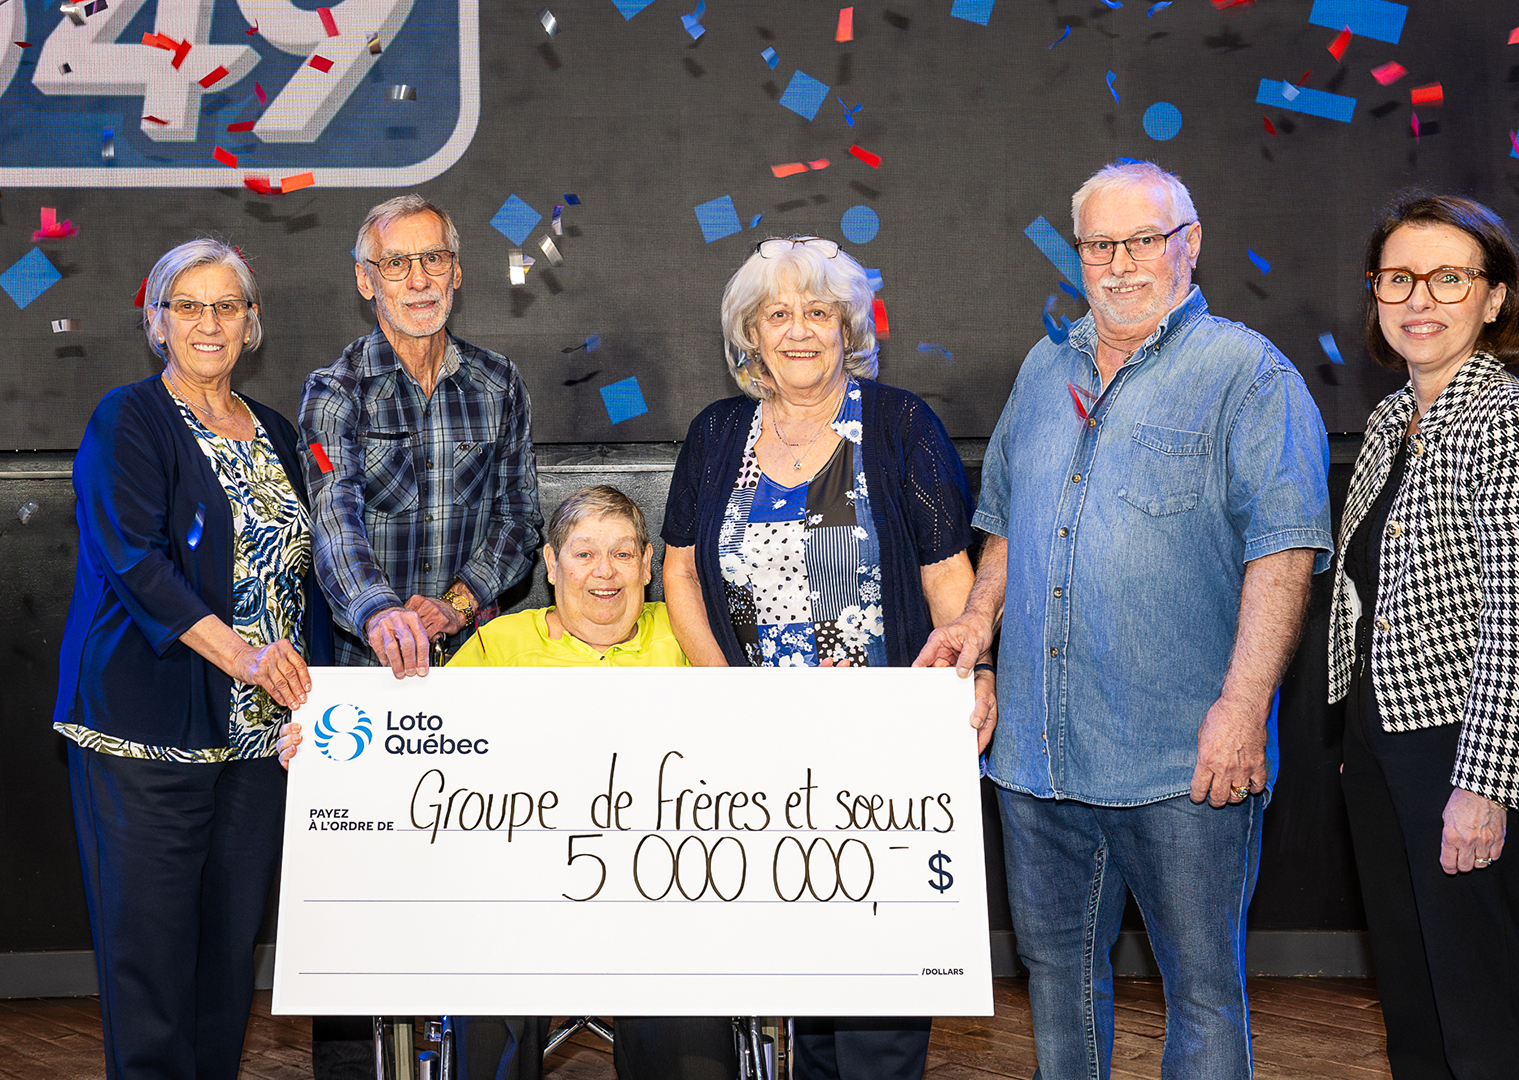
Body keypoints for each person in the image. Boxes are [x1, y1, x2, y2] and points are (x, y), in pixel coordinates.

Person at [919, 160, 1334, 1078]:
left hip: (1182, 761)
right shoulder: (1042, 368)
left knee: (1203, 994)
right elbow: (1005, 529)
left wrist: (1242, 710)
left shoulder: (1248, 375)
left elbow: (1285, 556)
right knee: (1057, 981)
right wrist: (978, 626)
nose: (1119, 264)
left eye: (1142, 240)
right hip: (1037, 759)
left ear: (1190, 244)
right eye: (1099, 244)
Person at [282, 486, 740, 1080]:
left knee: (689, 1015)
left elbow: (749, 740)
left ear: (650, 564)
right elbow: (414, 753)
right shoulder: (498, 646)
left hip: (659, 898)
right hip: (515, 899)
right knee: (488, 986)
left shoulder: (689, 641)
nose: (605, 572)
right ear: (550, 565)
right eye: (583, 554)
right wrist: (322, 758)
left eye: (624, 554)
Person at [661, 235, 975, 1080]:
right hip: (755, 748)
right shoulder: (719, 431)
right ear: (750, 333)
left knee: (878, 986)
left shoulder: (901, 423)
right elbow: (681, 569)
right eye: (778, 314)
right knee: (786, 975)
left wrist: (971, 685)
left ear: (848, 328)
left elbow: (950, 575)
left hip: (883, 744)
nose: (799, 331)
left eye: (819, 313)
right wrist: (724, 693)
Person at [1327, 193, 1519, 1078]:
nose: (1420, 298)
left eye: (1448, 278)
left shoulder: (1514, 421)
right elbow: (1372, 593)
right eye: (1399, 277)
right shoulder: (1390, 421)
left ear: (1494, 298)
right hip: (1392, 742)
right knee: (1417, 998)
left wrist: (1484, 788)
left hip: (1474, 743)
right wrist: (1361, 738)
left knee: (1485, 1005)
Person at [54, 238, 322, 1080]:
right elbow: (137, 563)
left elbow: (297, 575)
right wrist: (246, 658)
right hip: (145, 735)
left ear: (253, 323)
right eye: (189, 307)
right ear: (157, 322)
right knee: (152, 970)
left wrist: (300, 705)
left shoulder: (275, 430)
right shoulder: (127, 418)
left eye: (227, 306)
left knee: (222, 964)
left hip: (254, 747)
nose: (210, 323)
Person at [298, 193, 544, 1079]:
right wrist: (380, 611)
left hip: (474, 662)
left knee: (479, 875)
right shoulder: (334, 390)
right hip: (361, 673)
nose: (417, 278)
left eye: (431, 259)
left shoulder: (500, 383)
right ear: (367, 282)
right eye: (395, 264)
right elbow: (334, 521)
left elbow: (519, 523)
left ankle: (486, 1060)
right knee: (357, 889)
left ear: (457, 270)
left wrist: (454, 603)